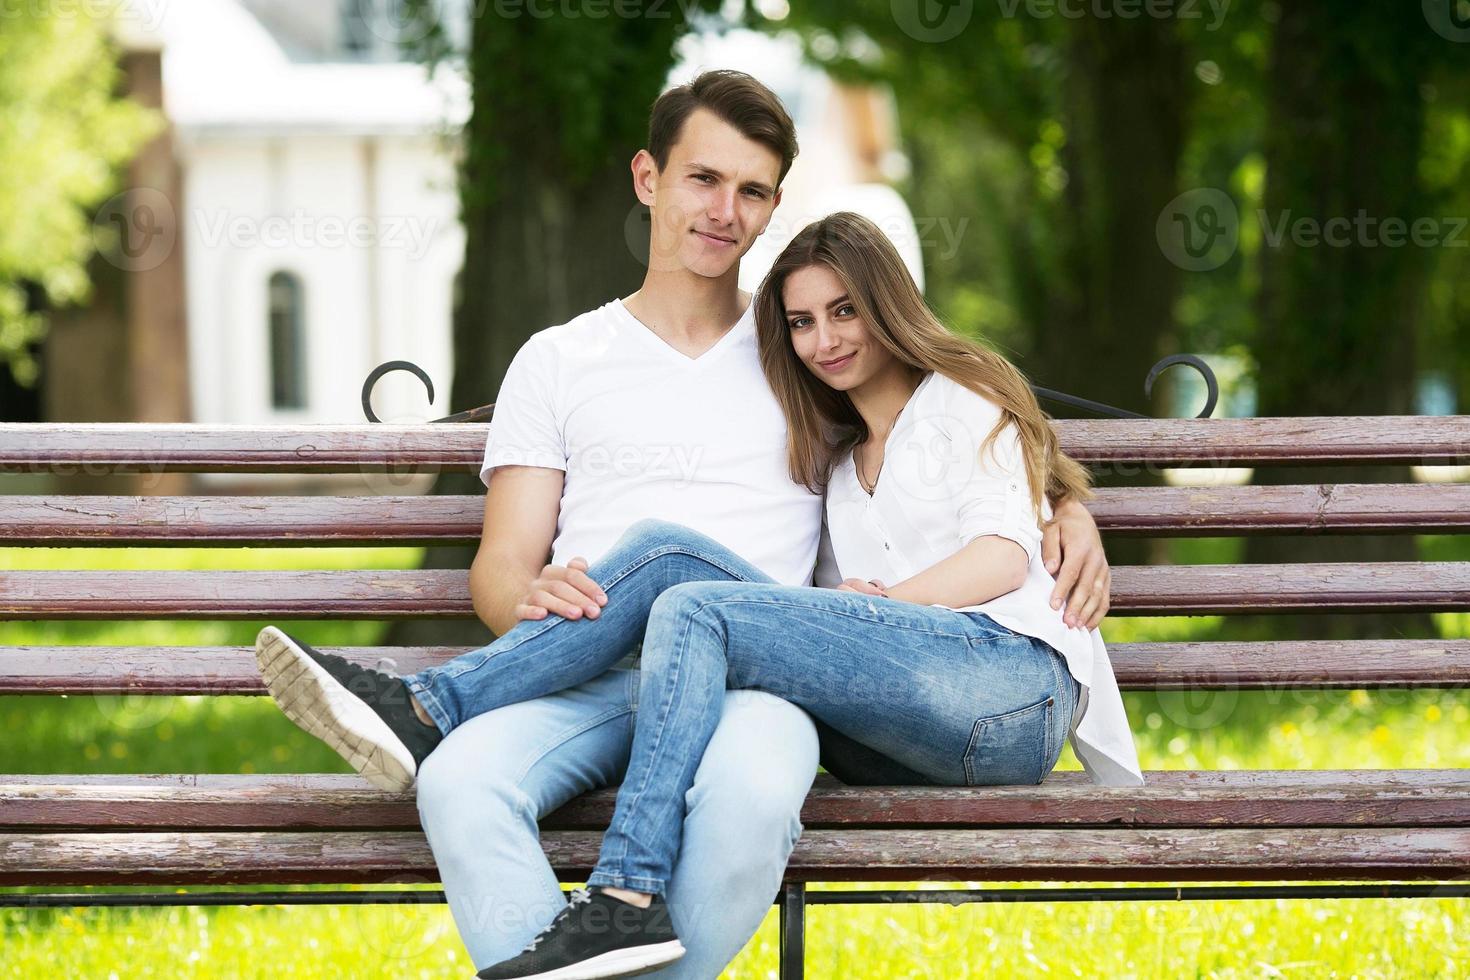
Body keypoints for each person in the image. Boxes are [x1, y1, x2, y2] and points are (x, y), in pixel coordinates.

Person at [254, 73, 1113, 980]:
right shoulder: (556, 360)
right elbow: (500, 568)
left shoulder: (798, 356)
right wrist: (525, 594)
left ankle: (431, 709)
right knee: (462, 783)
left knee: (744, 783)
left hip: (761, 680)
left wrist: (1065, 506)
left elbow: (930, 426)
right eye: (703, 178)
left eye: (751, 191)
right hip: (585, 668)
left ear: (773, 206)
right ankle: (456, 742)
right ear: (646, 179)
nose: (724, 210)